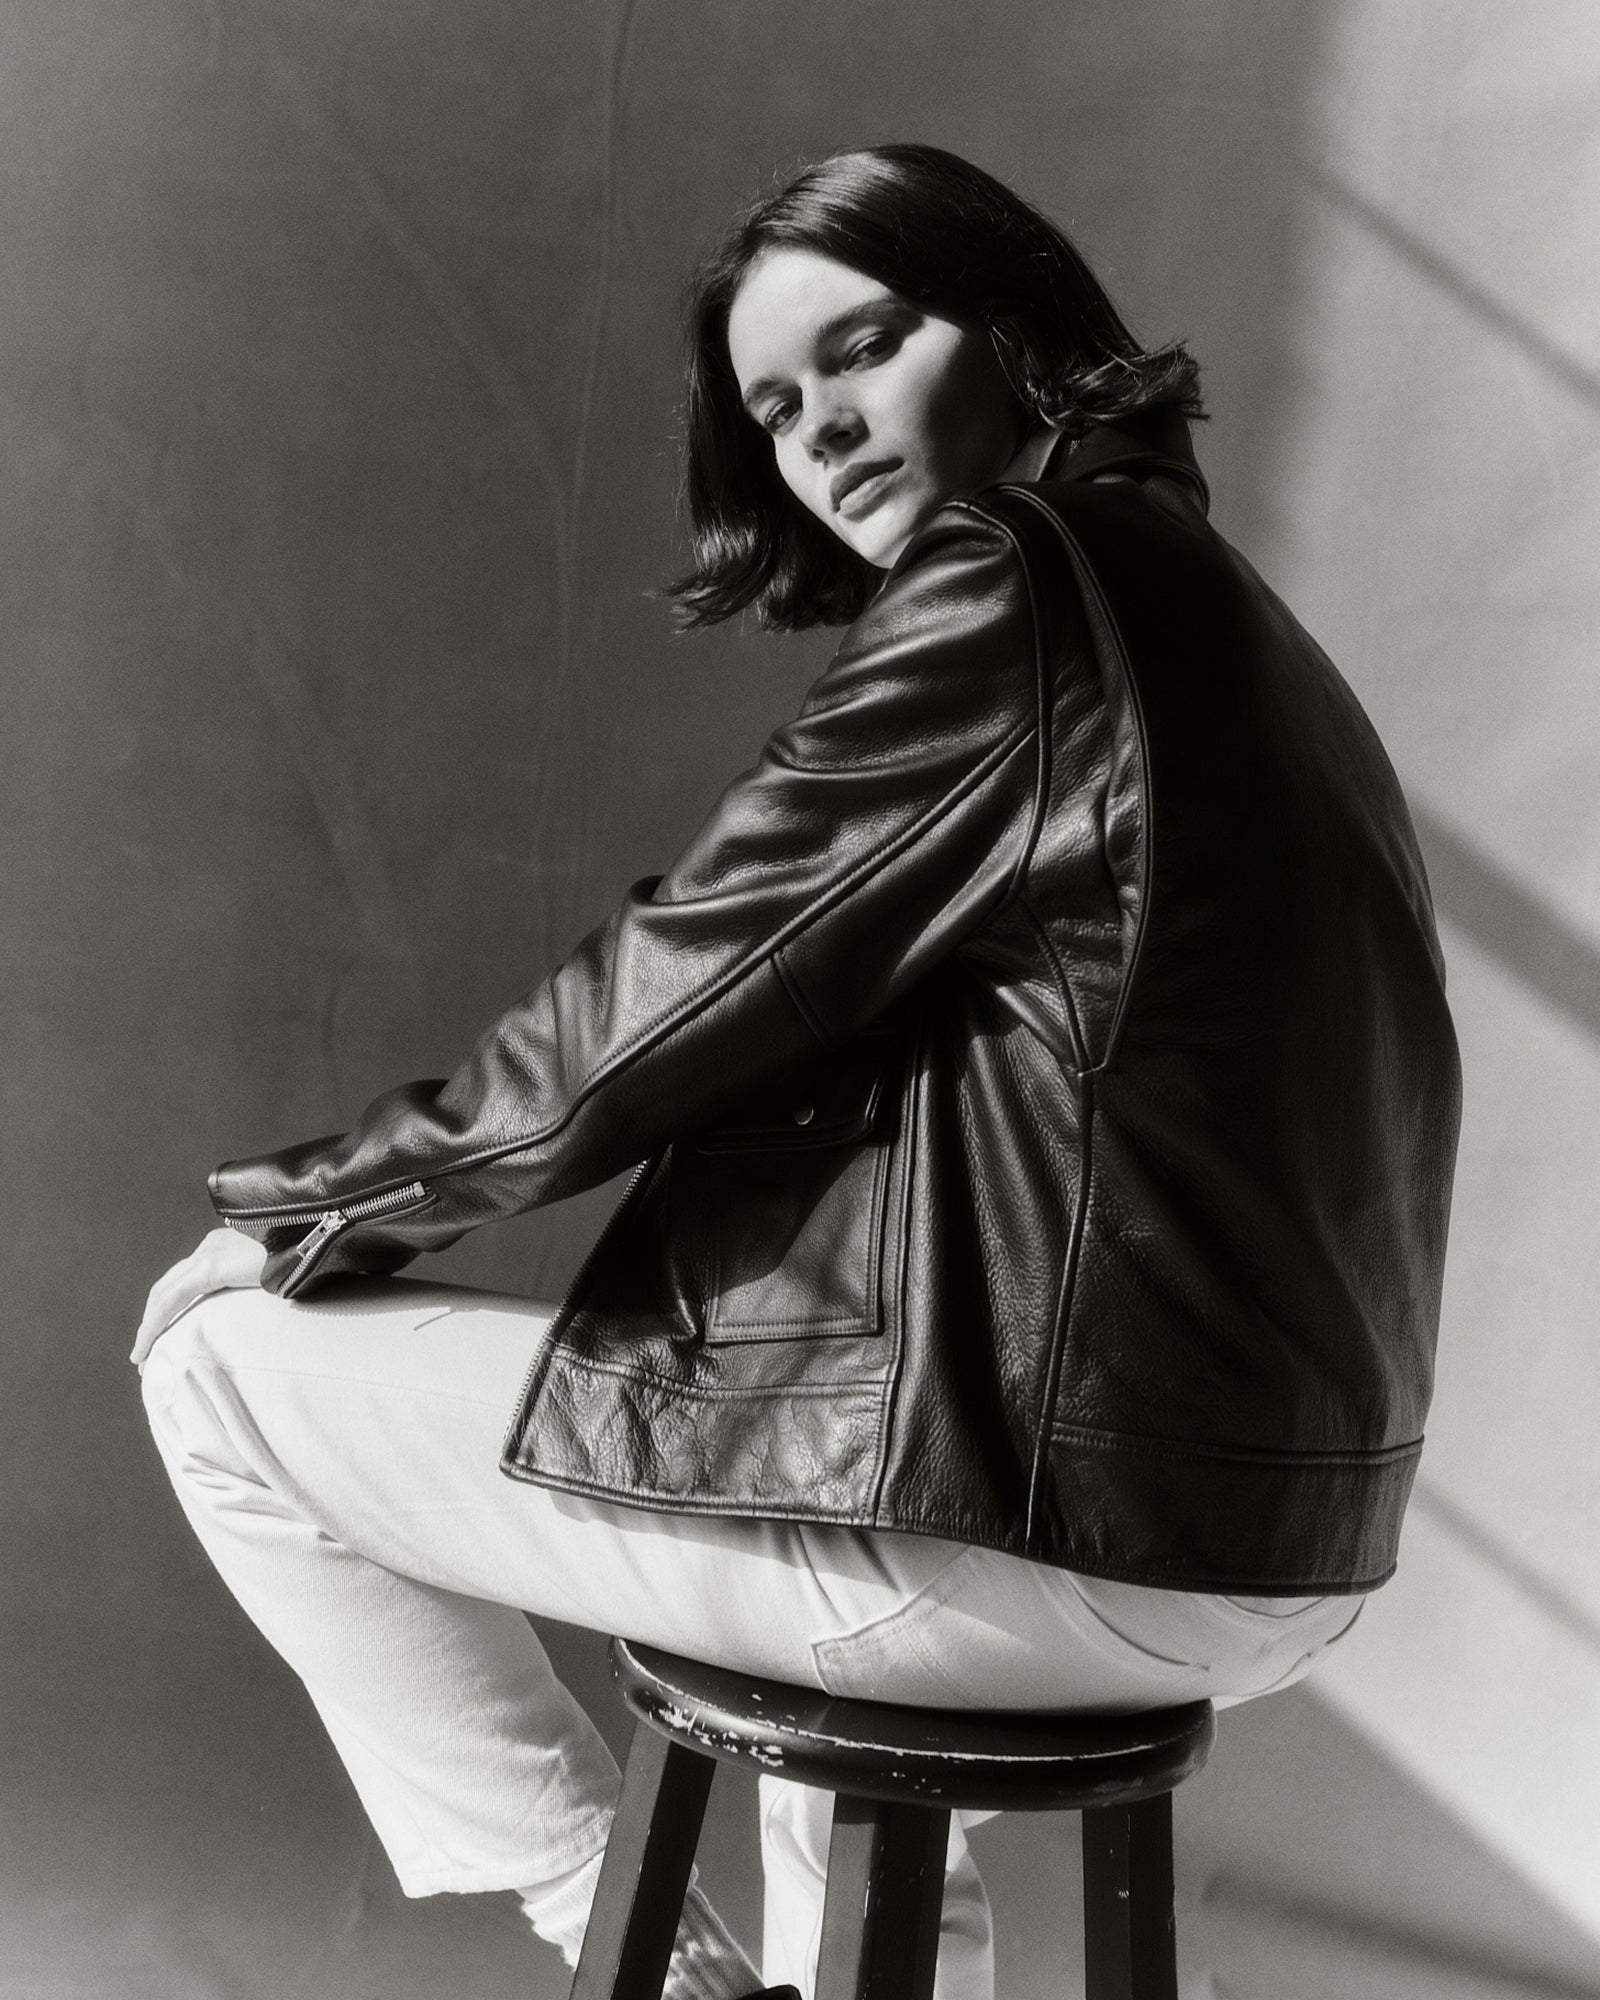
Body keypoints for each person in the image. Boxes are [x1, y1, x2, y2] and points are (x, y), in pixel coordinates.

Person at [134, 144, 1462, 2000]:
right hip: (1278, 1542)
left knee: (212, 1369)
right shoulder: (1225, 618)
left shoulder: (1018, 582)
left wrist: (307, 1214)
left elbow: (664, 999)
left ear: (1018, 333)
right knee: (802, 1415)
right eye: (772, 408)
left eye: (867, 347)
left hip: (1053, 1543)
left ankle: (635, 1951)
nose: (819, 431)